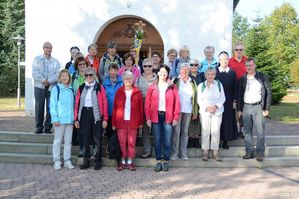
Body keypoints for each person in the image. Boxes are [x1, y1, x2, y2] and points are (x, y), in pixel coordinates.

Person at [145, 64, 180, 172]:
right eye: (161, 72)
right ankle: (158, 161)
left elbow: (177, 102)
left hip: (168, 116)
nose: (163, 74)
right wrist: (148, 118)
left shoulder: (172, 86)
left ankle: (166, 161)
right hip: (155, 116)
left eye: (165, 72)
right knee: (157, 139)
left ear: (167, 74)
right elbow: (147, 103)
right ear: (158, 73)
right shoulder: (152, 86)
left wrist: (176, 117)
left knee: (167, 140)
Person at [237, 57, 272, 162]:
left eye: (250, 65)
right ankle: (249, 152)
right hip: (246, 107)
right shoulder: (243, 79)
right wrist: (239, 109)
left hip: (258, 107)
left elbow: (268, 93)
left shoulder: (262, 77)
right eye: (247, 65)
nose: (248, 67)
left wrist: (266, 108)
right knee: (247, 132)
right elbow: (239, 95)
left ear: (255, 65)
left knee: (260, 131)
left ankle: (260, 153)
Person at [74, 67, 108, 170]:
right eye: (87, 75)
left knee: (97, 139)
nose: (89, 77)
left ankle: (98, 161)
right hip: (84, 114)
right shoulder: (81, 87)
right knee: (85, 139)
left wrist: (105, 118)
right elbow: (77, 103)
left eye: (91, 75)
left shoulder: (99, 87)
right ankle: (86, 161)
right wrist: (76, 118)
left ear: (94, 76)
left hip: (96, 114)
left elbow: (104, 102)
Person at [112, 71, 143, 171]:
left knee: (131, 142)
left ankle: (129, 162)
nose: (128, 80)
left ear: (133, 79)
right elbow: (115, 108)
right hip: (121, 120)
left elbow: (140, 108)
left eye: (130, 78)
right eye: (126, 78)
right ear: (123, 80)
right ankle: (122, 161)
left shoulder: (137, 92)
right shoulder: (119, 91)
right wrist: (113, 123)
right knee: (122, 141)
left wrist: (141, 122)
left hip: (133, 120)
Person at [197, 67, 225, 161]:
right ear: (205, 75)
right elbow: (199, 99)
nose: (210, 76)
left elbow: (222, 98)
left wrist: (215, 107)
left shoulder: (219, 84)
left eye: (212, 74)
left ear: (215, 75)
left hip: (217, 112)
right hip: (205, 112)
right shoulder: (201, 86)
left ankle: (215, 152)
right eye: (208, 74)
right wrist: (207, 107)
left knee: (215, 131)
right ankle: (205, 152)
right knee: (205, 131)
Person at [171, 63, 198, 160]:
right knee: (176, 132)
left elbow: (195, 98)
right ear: (179, 70)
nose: (185, 71)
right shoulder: (175, 80)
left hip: (188, 110)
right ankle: (174, 153)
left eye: (187, 69)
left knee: (185, 132)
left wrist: (195, 112)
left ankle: (184, 153)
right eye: (183, 69)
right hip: (177, 111)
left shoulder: (192, 82)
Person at [32, 42, 60, 134]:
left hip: (51, 87)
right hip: (39, 86)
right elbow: (35, 73)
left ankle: (48, 127)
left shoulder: (55, 62)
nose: (49, 49)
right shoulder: (37, 59)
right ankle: (39, 127)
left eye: (50, 48)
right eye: (47, 47)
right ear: (43, 48)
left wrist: (49, 81)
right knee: (39, 107)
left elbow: (57, 74)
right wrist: (44, 81)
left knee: (50, 107)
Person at [50, 69, 75, 170]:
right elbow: (52, 105)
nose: (65, 78)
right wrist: (54, 118)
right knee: (57, 141)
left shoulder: (71, 89)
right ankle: (56, 160)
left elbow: (73, 105)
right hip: (59, 120)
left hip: (70, 120)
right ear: (60, 78)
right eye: (63, 76)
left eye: (66, 76)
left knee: (68, 141)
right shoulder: (56, 89)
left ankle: (67, 160)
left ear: (69, 78)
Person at [135, 58, 158, 159]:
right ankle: (147, 150)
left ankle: (158, 151)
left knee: (157, 129)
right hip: (143, 104)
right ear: (142, 67)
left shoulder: (158, 78)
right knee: (145, 130)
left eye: (149, 66)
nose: (147, 68)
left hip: (156, 105)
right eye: (145, 66)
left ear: (153, 66)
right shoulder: (138, 79)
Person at [216, 51, 238, 149]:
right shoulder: (215, 72)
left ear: (228, 60)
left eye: (226, 59)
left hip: (229, 101)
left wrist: (234, 101)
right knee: (218, 120)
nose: (224, 61)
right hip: (216, 101)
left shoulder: (232, 73)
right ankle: (217, 140)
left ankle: (225, 141)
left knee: (227, 121)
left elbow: (235, 88)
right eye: (221, 59)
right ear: (219, 60)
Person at [229, 41, 247, 139]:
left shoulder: (247, 60)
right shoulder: (230, 61)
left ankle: (242, 130)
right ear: (233, 51)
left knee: (243, 109)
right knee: (234, 109)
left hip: (244, 88)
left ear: (243, 50)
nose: (239, 51)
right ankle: (235, 129)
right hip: (233, 88)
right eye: (236, 50)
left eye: (241, 50)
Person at [72, 56, 88, 157]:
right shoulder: (73, 76)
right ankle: (82, 149)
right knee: (80, 129)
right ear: (77, 66)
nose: (82, 66)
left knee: (87, 129)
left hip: (89, 105)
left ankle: (86, 149)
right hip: (77, 105)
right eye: (80, 64)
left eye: (84, 64)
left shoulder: (91, 75)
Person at [103, 63, 124, 139]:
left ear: (118, 71)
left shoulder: (122, 82)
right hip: (109, 111)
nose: (113, 72)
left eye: (115, 70)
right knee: (110, 133)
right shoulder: (104, 84)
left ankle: (119, 150)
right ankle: (110, 149)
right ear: (108, 71)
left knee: (119, 133)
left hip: (120, 112)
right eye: (111, 70)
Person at [188, 59, 205, 148]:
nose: (194, 66)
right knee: (190, 120)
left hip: (200, 101)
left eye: (195, 65)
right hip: (190, 101)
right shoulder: (187, 76)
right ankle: (190, 138)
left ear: (198, 66)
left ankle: (196, 138)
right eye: (192, 65)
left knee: (198, 120)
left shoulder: (202, 76)